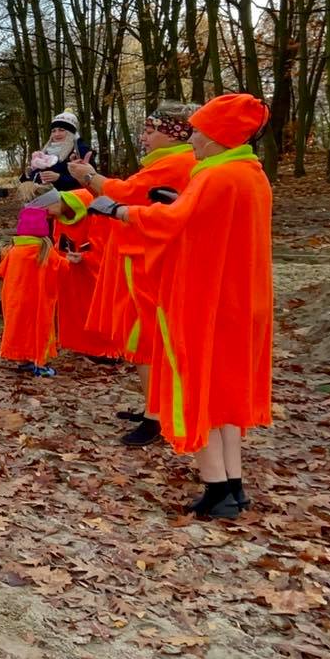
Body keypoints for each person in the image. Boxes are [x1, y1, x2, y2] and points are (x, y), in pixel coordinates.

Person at [89, 93, 273, 519]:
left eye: (199, 133)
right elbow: (208, 223)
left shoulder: (216, 176)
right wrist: (176, 202)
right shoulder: (251, 175)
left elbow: (173, 225)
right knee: (224, 391)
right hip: (242, 298)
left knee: (195, 384)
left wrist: (120, 211)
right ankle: (233, 484)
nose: (192, 141)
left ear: (218, 136)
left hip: (207, 297)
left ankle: (215, 487)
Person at [69, 101, 197, 446]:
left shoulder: (177, 163)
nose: (144, 137)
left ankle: (157, 416)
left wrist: (90, 177)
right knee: (142, 335)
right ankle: (154, 406)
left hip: (151, 262)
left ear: (174, 133)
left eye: (151, 130)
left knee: (147, 336)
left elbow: (127, 195)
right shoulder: (167, 162)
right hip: (143, 258)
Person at [0, 189, 68, 377]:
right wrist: (74, 260)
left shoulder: (12, 251)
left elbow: (0, 272)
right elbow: (62, 268)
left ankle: (23, 361)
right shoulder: (44, 251)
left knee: (19, 329)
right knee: (40, 329)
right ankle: (40, 363)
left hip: (14, 301)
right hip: (37, 302)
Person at [50, 189, 120, 362]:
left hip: (93, 274)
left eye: (49, 207)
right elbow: (58, 243)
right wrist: (63, 257)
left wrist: (85, 257)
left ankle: (106, 350)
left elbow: (104, 249)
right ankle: (83, 345)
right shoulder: (59, 219)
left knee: (98, 310)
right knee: (77, 310)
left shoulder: (95, 217)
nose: (47, 212)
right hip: (73, 273)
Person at [23, 112, 92, 191]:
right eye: (53, 131)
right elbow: (36, 175)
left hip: (73, 196)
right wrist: (30, 175)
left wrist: (59, 178)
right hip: (46, 196)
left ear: (70, 133)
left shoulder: (81, 150)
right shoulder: (46, 151)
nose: (56, 134)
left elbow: (90, 178)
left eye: (61, 130)